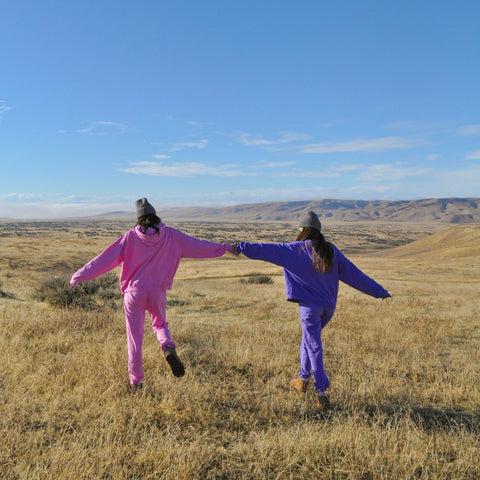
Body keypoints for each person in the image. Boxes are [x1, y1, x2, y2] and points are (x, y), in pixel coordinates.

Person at [70, 198, 233, 390]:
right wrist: (225, 247)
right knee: (160, 324)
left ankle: (136, 380)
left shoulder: (130, 237)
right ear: (156, 216)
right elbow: (199, 245)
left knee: (135, 338)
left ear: (138, 219)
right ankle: (167, 346)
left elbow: (105, 259)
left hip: (133, 293)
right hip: (157, 292)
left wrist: (79, 275)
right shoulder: (172, 235)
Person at [233, 211, 390, 408]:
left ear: (302, 231)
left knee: (314, 345)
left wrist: (240, 247)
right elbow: (354, 274)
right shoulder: (330, 250)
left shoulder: (295, 250)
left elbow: (265, 250)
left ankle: (321, 391)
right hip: (328, 307)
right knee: (309, 340)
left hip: (309, 307)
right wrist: (378, 291)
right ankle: (302, 378)